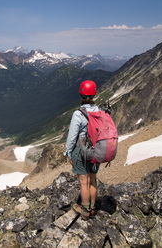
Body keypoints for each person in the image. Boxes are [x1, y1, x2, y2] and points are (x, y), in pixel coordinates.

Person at [64, 80, 100, 220]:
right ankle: (92, 207)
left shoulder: (78, 114)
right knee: (93, 180)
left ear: (81, 95)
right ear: (94, 94)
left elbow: (72, 138)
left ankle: (85, 211)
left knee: (84, 182)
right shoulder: (100, 111)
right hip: (96, 151)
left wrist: (68, 153)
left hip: (81, 151)